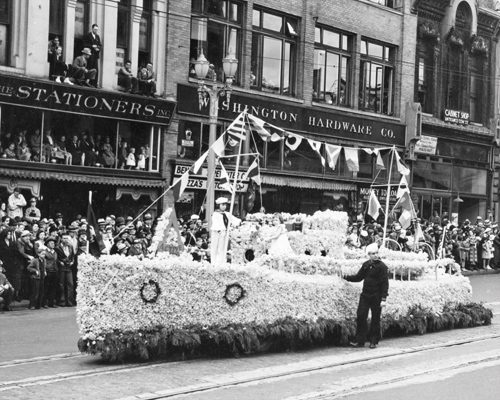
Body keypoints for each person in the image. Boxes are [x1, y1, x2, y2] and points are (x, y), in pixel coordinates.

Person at [343, 243, 389, 349]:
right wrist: (346, 277)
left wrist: (383, 298)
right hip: (365, 295)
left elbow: (385, 284)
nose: (375, 255)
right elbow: (359, 277)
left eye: (376, 253)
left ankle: (373, 341)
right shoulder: (366, 265)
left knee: (375, 318)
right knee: (361, 316)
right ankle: (360, 340)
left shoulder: (382, 267)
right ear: (369, 254)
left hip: (376, 296)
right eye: (372, 254)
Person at [210, 197, 241, 265]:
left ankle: (222, 262)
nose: (224, 206)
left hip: (224, 233)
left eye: (225, 205)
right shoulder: (215, 214)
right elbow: (216, 224)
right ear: (218, 205)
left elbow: (234, 220)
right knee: (215, 247)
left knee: (222, 248)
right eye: (222, 205)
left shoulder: (227, 214)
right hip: (217, 232)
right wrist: (219, 230)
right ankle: (214, 262)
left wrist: (239, 222)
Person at [56, 233, 76, 307]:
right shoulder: (58, 247)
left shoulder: (70, 246)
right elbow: (56, 258)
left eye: (67, 238)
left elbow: (73, 256)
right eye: (64, 238)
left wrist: (72, 262)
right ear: (61, 239)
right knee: (61, 284)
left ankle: (70, 301)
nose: (65, 240)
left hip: (69, 267)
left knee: (70, 284)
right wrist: (60, 262)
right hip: (61, 267)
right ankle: (62, 301)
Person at [44, 237, 59, 307]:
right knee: (46, 287)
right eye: (51, 243)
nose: (53, 244)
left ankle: (51, 302)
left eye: (53, 243)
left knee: (53, 287)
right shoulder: (45, 252)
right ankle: (45, 303)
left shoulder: (55, 252)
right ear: (47, 244)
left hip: (55, 270)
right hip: (48, 270)